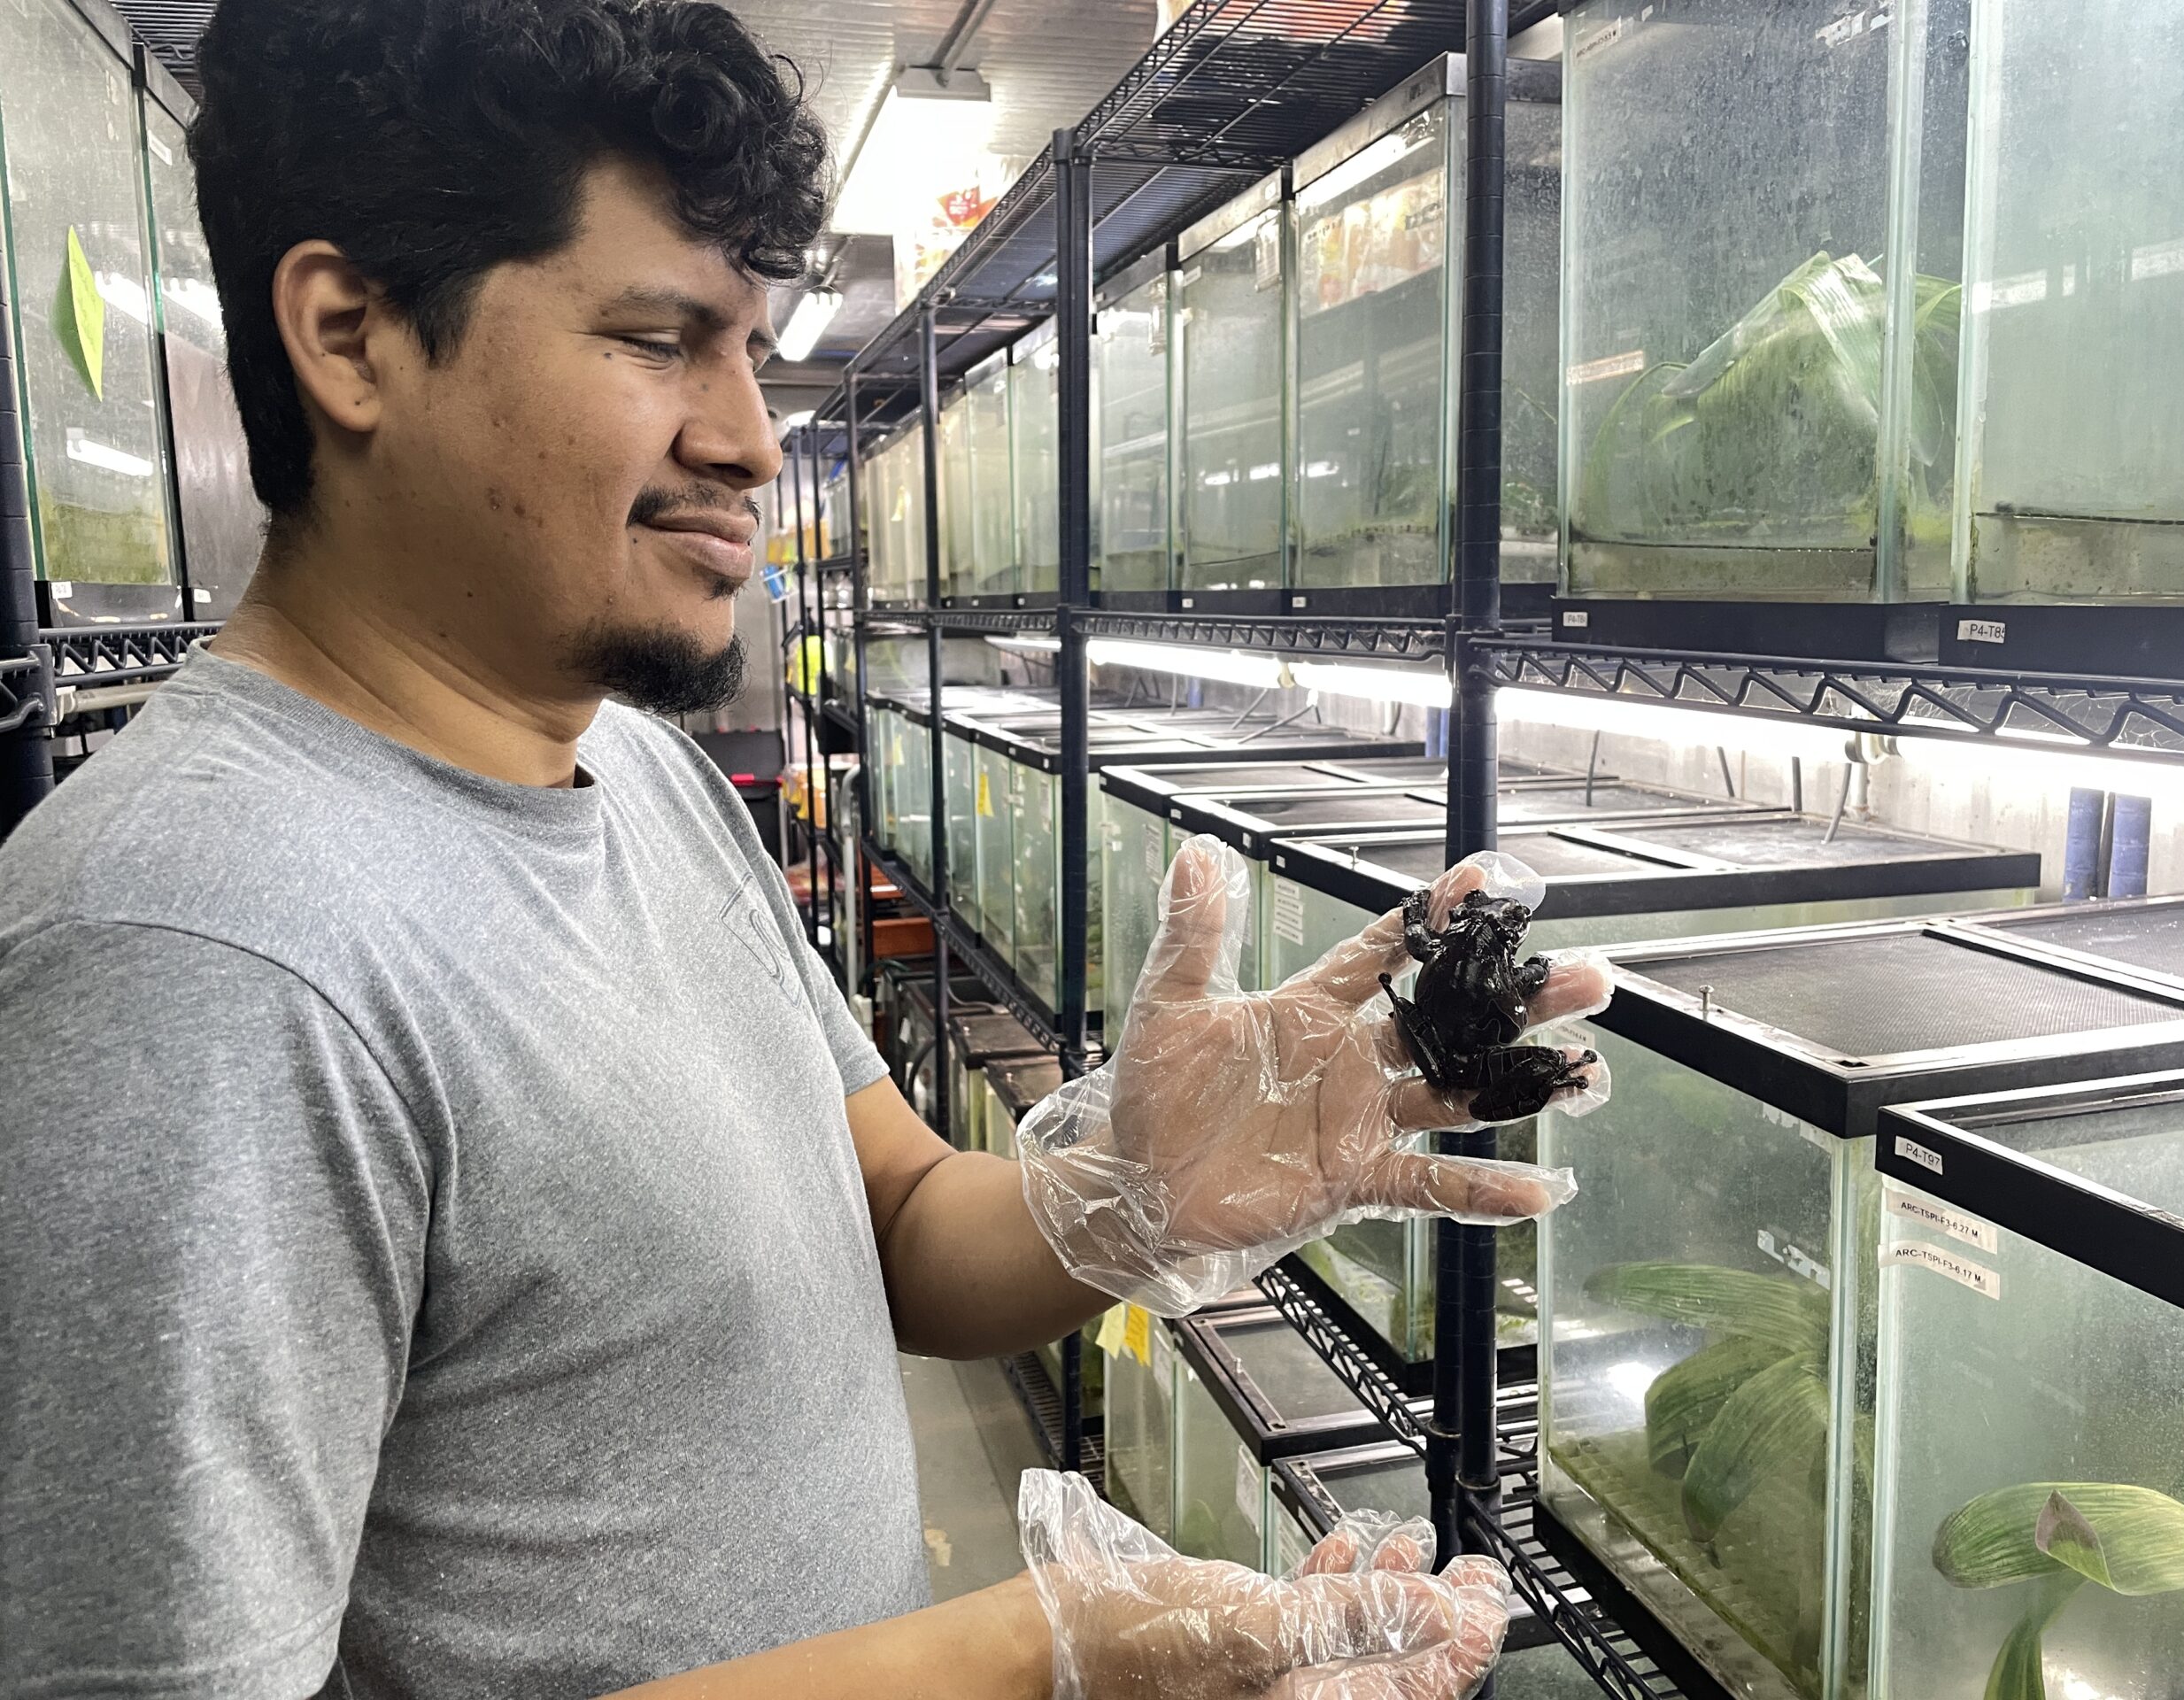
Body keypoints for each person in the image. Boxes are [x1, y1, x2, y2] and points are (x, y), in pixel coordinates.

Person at [0, 2, 1606, 1696]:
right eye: (655, 338)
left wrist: (1128, 1200)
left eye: (750, 349)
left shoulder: (640, 773)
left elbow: (902, 1214)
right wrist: (1018, 1656)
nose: (752, 439)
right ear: (352, 337)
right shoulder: (190, 963)